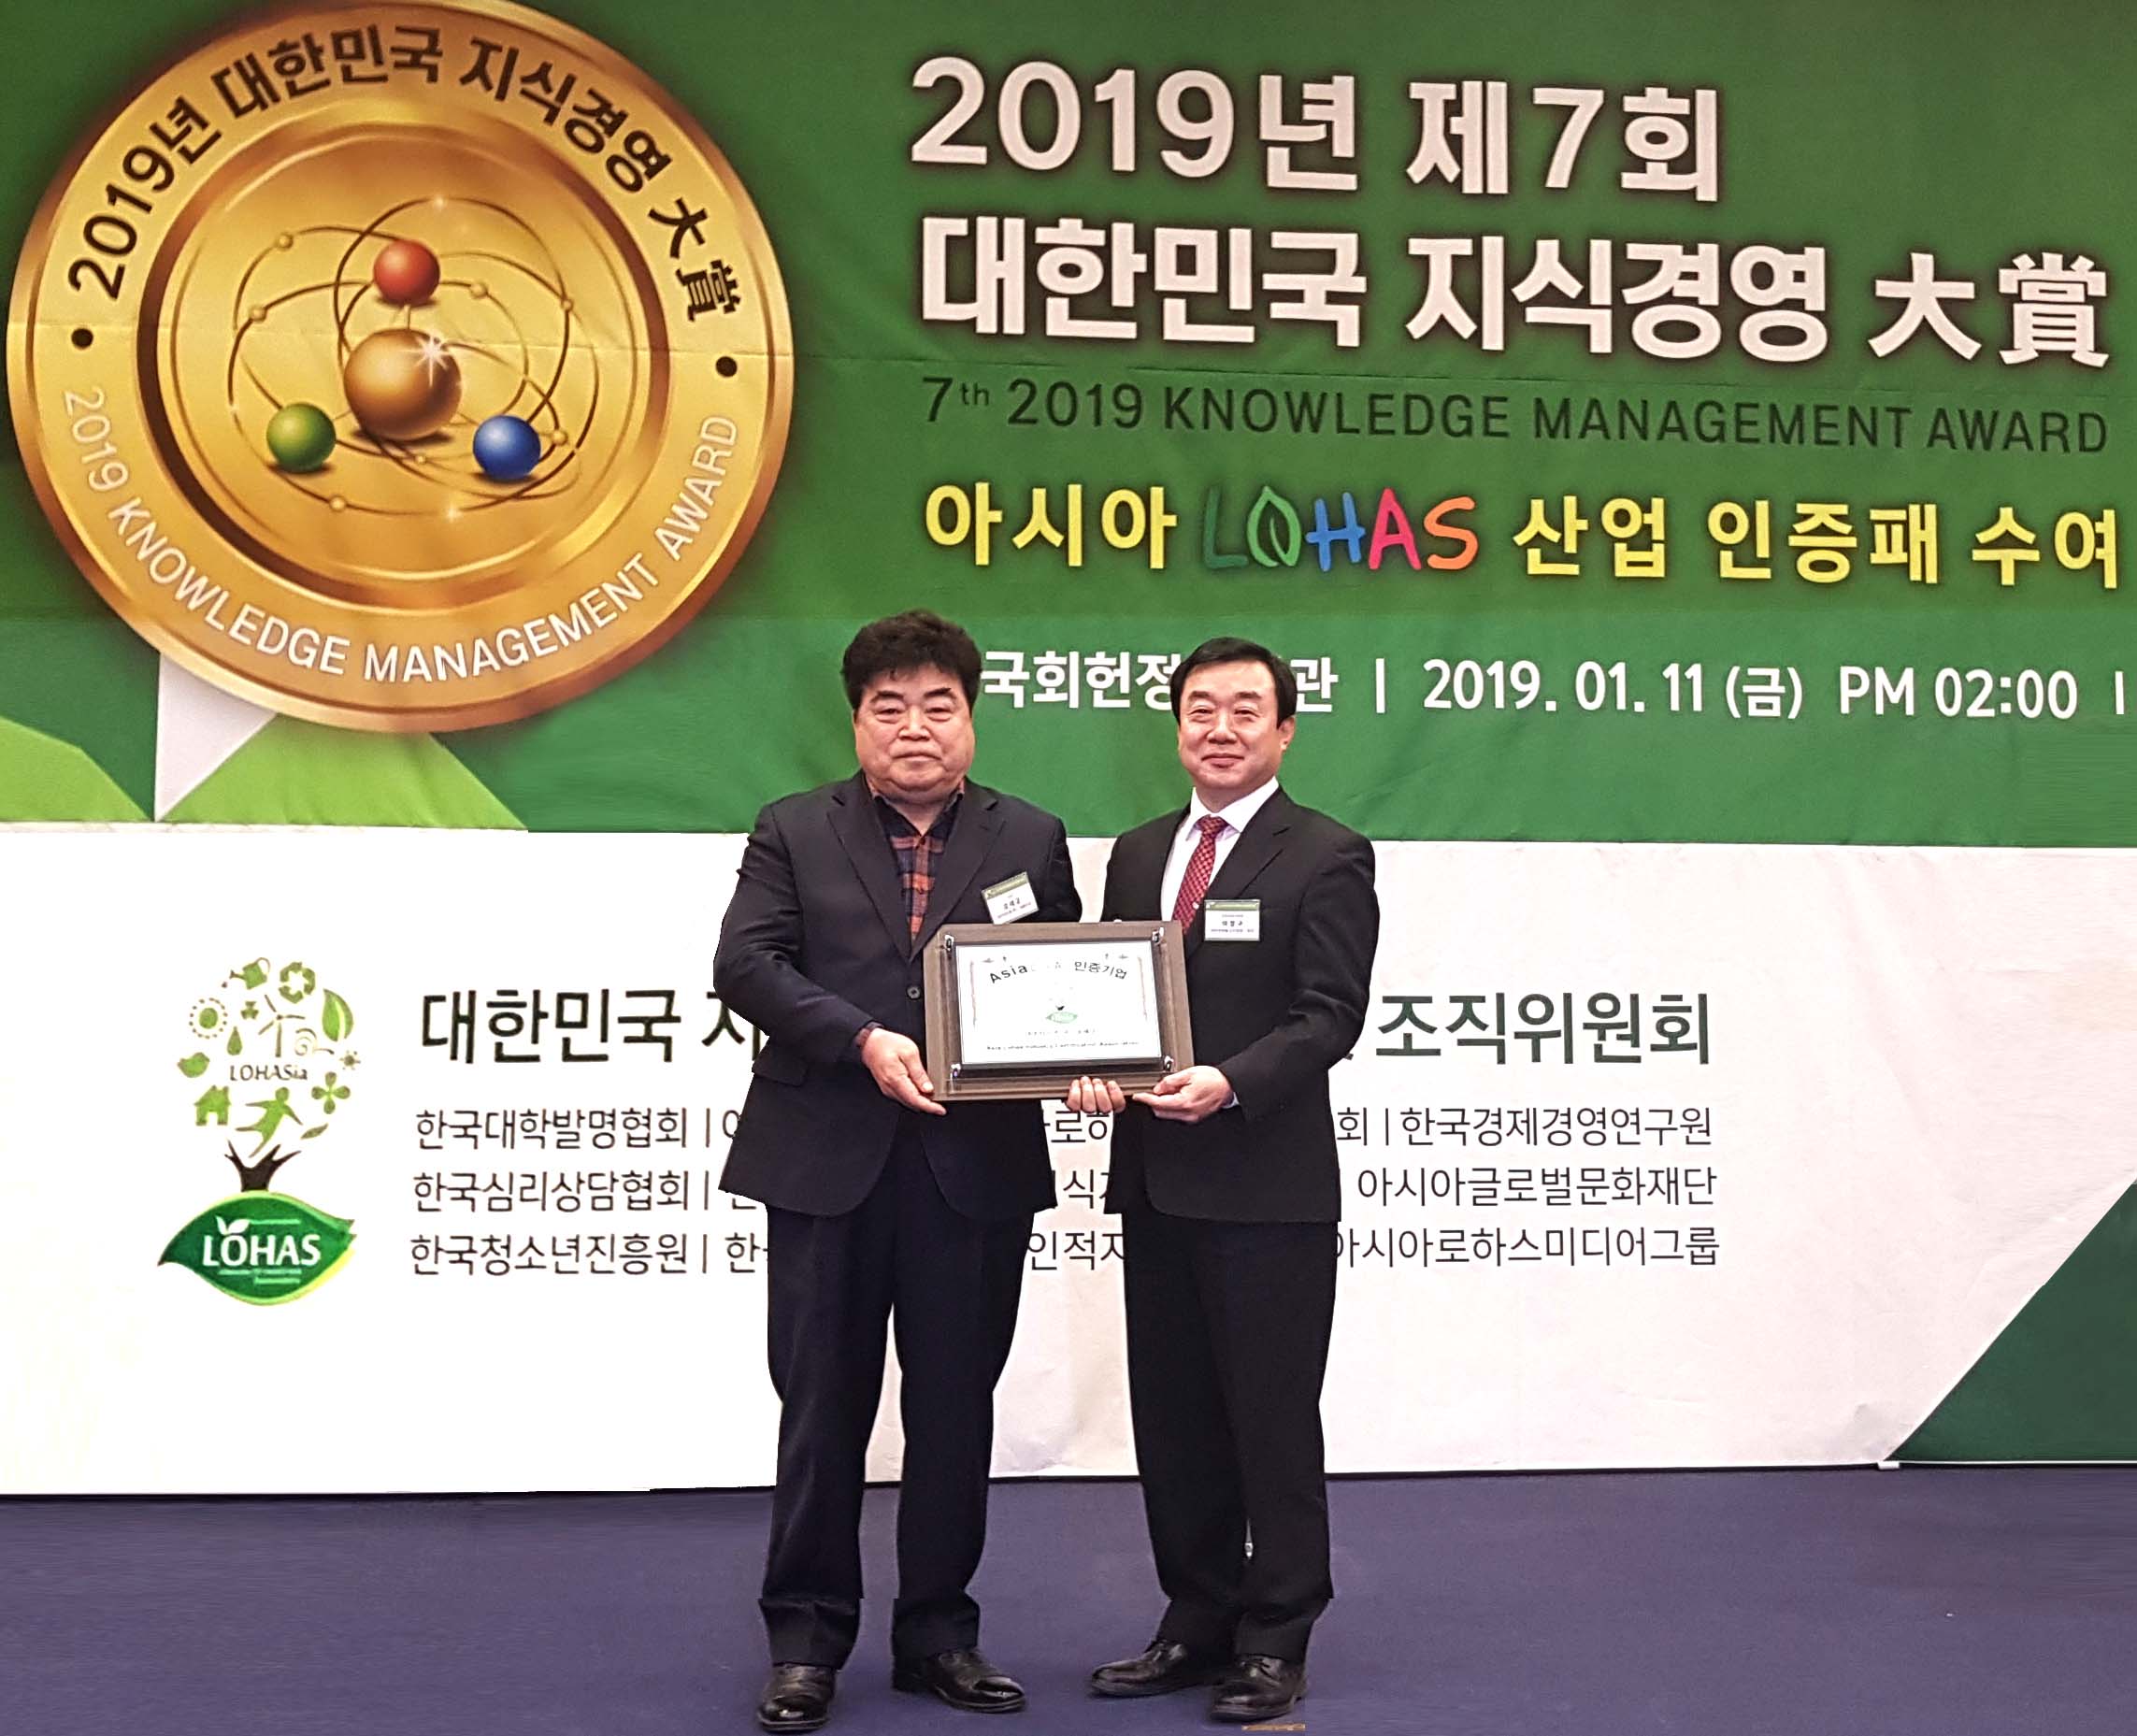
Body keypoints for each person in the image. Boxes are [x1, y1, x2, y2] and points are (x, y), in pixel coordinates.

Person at [714, 610, 1081, 1732]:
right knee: (821, 1408)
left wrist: (1091, 1060)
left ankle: (939, 1636)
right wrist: (863, 1039)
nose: (915, 727)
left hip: (973, 1169)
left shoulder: (1031, 837)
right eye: (890, 707)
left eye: (938, 705)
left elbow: (1066, 980)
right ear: (857, 721)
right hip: (827, 1160)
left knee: (955, 1409)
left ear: (971, 718)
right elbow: (747, 963)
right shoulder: (794, 828)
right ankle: (805, 1641)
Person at [1067, 637, 1379, 1725]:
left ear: (1284, 731)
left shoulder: (1327, 854)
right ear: (1177, 727)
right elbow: (1108, 994)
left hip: (1268, 1186)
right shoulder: (1138, 853)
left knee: (1270, 1419)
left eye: (1247, 709)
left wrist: (1232, 1082)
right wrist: (1090, 1067)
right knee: (1175, 1419)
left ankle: (1276, 1635)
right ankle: (1195, 1620)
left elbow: (1329, 1016)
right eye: (1201, 708)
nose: (1221, 728)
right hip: (1155, 1181)